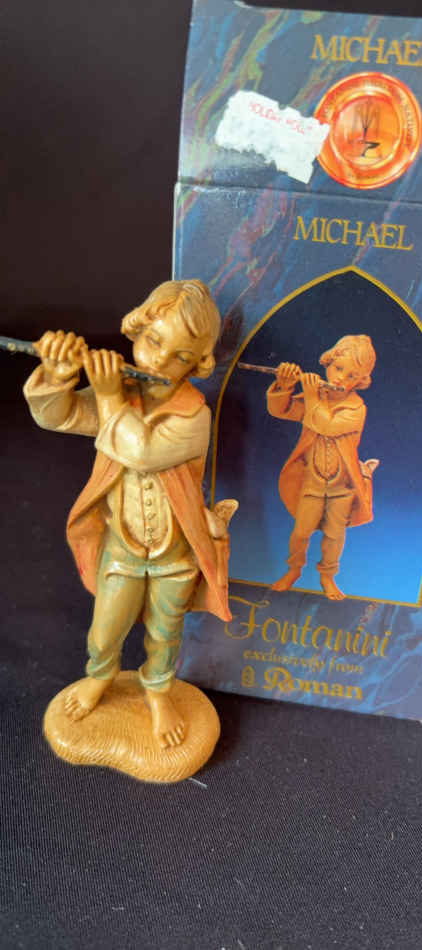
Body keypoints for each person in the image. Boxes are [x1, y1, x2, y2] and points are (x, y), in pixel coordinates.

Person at [24, 280, 235, 748]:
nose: (159, 362)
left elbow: (140, 450)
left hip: (174, 551)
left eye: (180, 356)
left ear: (197, 364)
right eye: (153, 341)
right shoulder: (122, 392)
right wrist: (58, 375)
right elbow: (58, 416)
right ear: (135, 329)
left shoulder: (194, 416)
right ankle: (100, 675)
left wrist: (108, 397)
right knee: (105, 629)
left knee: (165, 631)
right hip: (122, 547)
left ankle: (157, 692)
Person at [266, 334, 378, 601]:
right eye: (338, 368)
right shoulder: (315, 397)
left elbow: (326, 424)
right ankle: (294, 570)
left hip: (342, 486)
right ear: (328, 363)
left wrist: (312, 395)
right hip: (313, 482)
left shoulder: (356, 408)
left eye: (351, 376)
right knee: (300, 532)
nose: (341, 379)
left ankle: (328, 576)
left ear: (360, 381)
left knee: (334, 535)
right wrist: (284, 385)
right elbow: (281, 410)